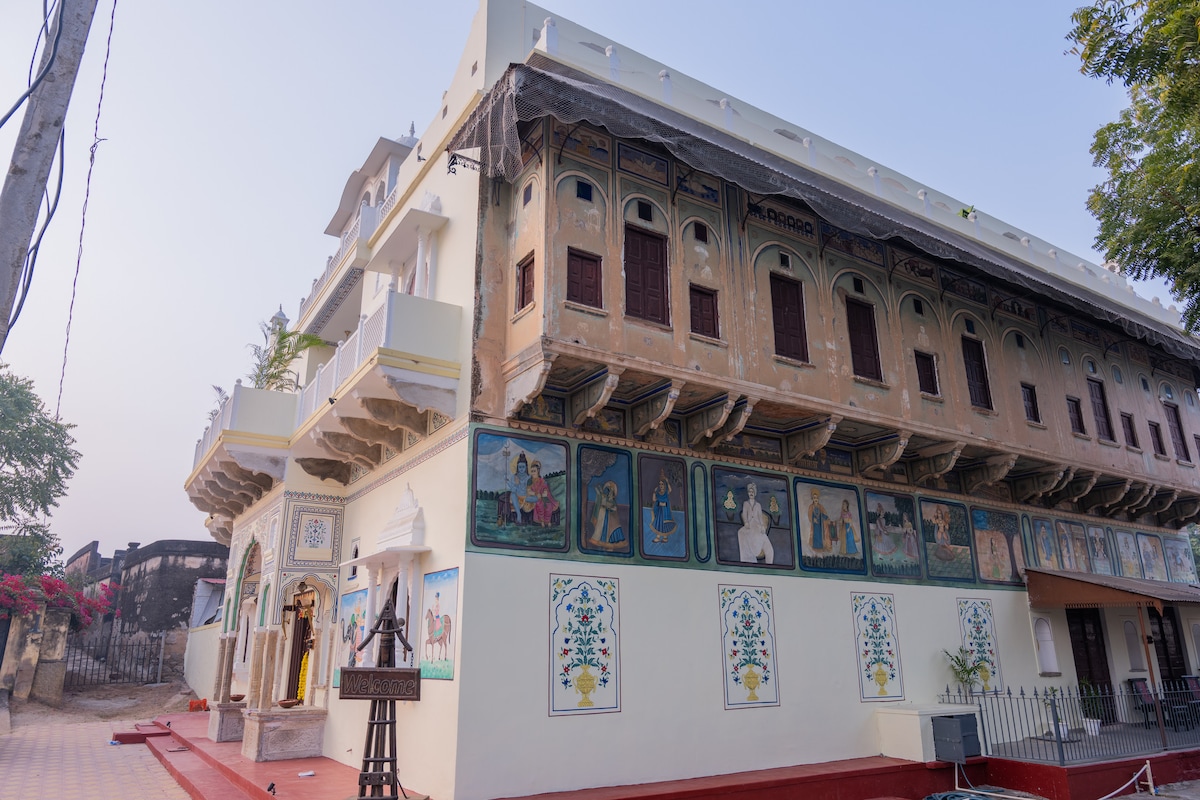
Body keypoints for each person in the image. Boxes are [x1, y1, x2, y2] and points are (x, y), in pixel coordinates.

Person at [737, 483, 773, 564]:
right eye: (750, 492)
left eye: (752, 492)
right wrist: (746, 522)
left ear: (755, 493)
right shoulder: (746, 504)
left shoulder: (758, 505)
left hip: (757, 525)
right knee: (740, 532)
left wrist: (762, 526)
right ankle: (748, 559)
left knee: (763, 539)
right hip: (749, 525)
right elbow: (744, 514)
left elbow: (760, 517)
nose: (751, 493)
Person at [589, 480, 625, 546]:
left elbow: (614, 508)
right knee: (599, 527)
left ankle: (603, 540)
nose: (609, 492)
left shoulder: (612, 500)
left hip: (607, 516)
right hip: (602, 514)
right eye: (608, 490)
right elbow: (599, 499)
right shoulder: (604, 497)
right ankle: (596, 539)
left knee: (604, 528)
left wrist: (610, 507)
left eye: (610, 491)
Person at [528, 461, 558, 527]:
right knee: (539, 504)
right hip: (535, 497)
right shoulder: (530, 481)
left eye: (534, 471)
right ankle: (542, 521)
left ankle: (548, 521)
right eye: (532, 471)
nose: (533, 473)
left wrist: (544, 493)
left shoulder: (542, 481)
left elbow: (546, 490)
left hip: (543, 496)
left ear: (538, 471)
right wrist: (535, 494)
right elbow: (528, 491)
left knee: (549, 505)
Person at [508, 452, 535, 524]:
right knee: (513, 494)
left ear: (526, 467)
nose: (521, 469)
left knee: (536, 498)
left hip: (526, 496)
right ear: (517, 467)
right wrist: (516, 484)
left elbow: (531, 489)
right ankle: (518, 514)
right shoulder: (514, 477)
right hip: (518, 496)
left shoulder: (529, 477)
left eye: (523, 467)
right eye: (520, 467)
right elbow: (513, 489)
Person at [651, 472, 675, 542]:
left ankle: (665, 537)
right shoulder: (657, 492)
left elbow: (670, 490)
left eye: (662, 484)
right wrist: (654, 492)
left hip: (665, 510)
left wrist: (667, 482)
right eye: (660, 484)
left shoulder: (666, 492)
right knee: (659, 522)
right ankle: (658, 537)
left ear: (665, 485)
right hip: (659, 510)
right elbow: (654, 499)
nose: (661, 485)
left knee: (665, 523)